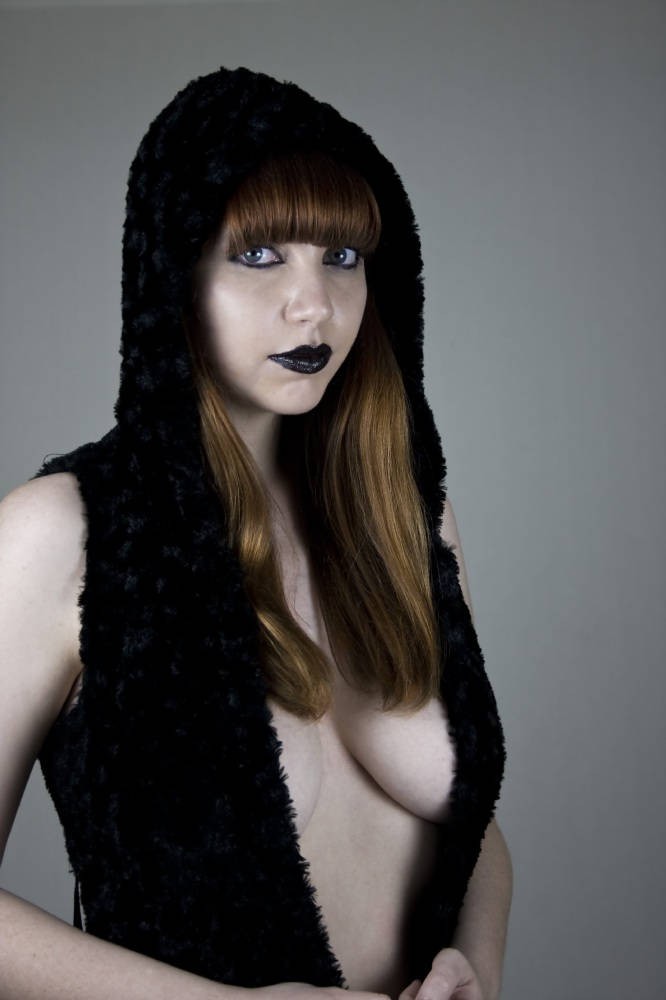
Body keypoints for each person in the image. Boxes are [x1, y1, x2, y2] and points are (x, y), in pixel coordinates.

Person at [0, 67, 511, 1000]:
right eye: (260, 254)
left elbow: (472, 831)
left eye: (342, 255)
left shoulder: (408, 517)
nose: (314, 304)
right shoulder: (65, 538)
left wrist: (473, 965)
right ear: (175, 275)